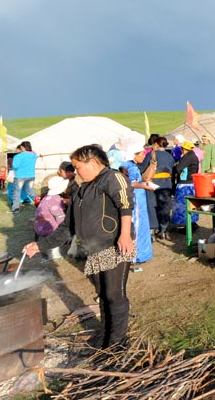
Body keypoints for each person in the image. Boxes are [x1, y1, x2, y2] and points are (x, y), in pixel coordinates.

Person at [24, 144, 135, 348]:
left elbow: (126, 204)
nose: (75, 172)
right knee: (103, 293)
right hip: (93, 249)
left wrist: (125, 235)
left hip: (114, 244)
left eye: (78, 167)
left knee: (114, 294)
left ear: (92, 163)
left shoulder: (112, 178)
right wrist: (39, 246)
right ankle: (106, 335)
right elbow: (67, 226)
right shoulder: (80, 190)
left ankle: (118, 342)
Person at [120, 145, 153, 267]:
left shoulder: (126, 165)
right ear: (134, 154)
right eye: (142, 154)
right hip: (137, 200)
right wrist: (145, 186)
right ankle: (136, 256)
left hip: (135, 198)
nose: (144, 156)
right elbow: (132, 183)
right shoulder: (131, 167)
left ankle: (136, 254)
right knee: (138, 227)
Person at [146, 137, 175, 241]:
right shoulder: (169, 156)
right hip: (167, 183)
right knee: (165, 207)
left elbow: (144, 168)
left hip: (154, 183)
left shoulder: (152, 154)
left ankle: (154, 230)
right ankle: (164, 229)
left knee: (153, 206)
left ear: (156, 144)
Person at [172, 140, 199, 228]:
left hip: (185, 184)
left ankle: (188, 226)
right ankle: (192, 223)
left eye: (182, 149)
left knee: (183, 205)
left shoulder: (188, 157)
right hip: (191, 183)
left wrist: (174, 168)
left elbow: (178, 168)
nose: (181, 151)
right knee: (191, 205)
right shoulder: (193, 156)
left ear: (184, 149)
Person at [11, 141, 38, 212]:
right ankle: (40, 204)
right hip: (31, 175)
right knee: (30, 191)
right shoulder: (34, 154)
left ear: (22, 147)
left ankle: (15, 208)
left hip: (20, 176)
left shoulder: (18, 156)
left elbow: (15, 166)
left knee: (17, 192)